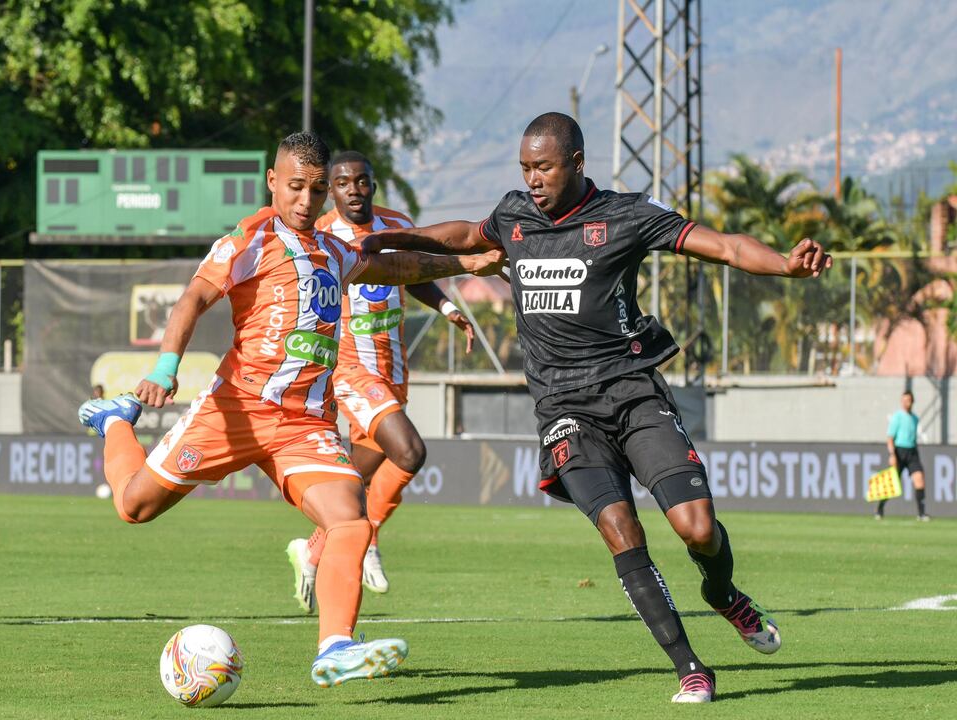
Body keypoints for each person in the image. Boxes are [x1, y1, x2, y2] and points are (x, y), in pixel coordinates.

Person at [360, 113, 834, 703]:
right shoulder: (514, 216)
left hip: (631, 393)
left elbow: (725, 246)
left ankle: (722, 593)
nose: (533, 179)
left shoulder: (626, 216)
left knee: (698, 529)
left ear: (577, 163)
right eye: (525, 168)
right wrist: (396, 237)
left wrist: (786, 264)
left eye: (544, 167)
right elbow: (462, 236)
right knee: (620, 528)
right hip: (563, 408)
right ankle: (690, 667)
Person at [77, 132, 504, 687]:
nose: (307, 200)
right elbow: (194, 298)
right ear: (274, 182)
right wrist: (164, 369)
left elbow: (399, 267)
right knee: (134, 507)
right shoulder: (250, 239)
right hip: (236, 409)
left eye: (317, 189)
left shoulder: (335, 250)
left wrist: (469, 265)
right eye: (296, 186)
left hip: (303, 424)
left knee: (350, 519)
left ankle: (334, 648)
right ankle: (114, 422)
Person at [286, 150, 476, 611]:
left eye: (362, 181)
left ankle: (313, 547)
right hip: (351, 367)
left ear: (373, 183)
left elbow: (413, 275)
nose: (354, 190)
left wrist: (450, 309)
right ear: (331, 190)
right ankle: (365, 535)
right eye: (344, 183)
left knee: (362, 469)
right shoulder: (323, 234)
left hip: (392, 364)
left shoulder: (396, 225)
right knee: (409, 451)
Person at [877, 390, 928, 520]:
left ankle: (921, 513)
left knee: (919, 480)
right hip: (899, 451)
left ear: (912, 401)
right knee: (892, 483)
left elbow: (913, 438)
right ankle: (880, 509)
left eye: (908, 400)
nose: (906, 403)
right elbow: (890, 438)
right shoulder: (897, 417)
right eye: (904, 400)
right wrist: (892, 454)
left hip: (912, 451)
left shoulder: (915, 418)